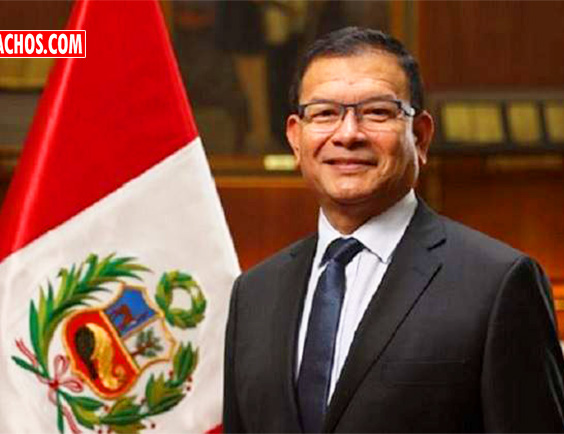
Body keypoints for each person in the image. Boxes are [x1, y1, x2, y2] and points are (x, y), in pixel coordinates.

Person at [223, 27, 564, 433]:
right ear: (296, 138)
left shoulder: (498, 283)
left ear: (420, 136)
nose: (348, 134)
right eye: (325, 113)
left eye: (377, 112)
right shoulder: (254, 293)